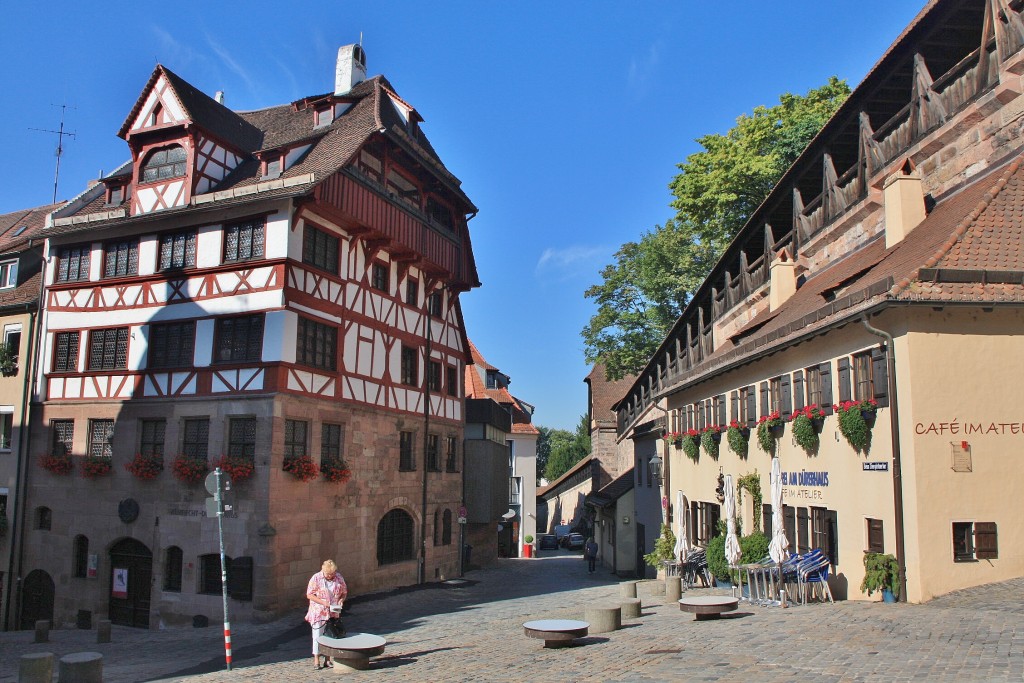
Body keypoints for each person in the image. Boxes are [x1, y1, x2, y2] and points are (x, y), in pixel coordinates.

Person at [305, 559, 348, 670]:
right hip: (319, 611)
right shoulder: (316, 578)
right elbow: (309, 594)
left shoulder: (338, 577)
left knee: (330, 635)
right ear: (323, 571)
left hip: (333, 611)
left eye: (332, 573)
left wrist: (341, 600)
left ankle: (328, 660)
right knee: (317, 635)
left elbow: (344, 592)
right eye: (328, 574)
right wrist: (323, 602)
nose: (330, 576)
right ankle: (316, 659)